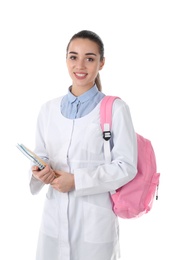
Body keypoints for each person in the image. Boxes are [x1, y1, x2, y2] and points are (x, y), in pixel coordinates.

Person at [29, 30, 138, 260]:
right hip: (53, 220)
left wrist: (77, 181)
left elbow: (126, 166)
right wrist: (41, 170)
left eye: (89, 58)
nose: (80, 65)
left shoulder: (115, 109)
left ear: (102, 63)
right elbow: (42, 154)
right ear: (66, 59)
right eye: (73, 57)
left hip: (94, 224)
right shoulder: (48, 110)